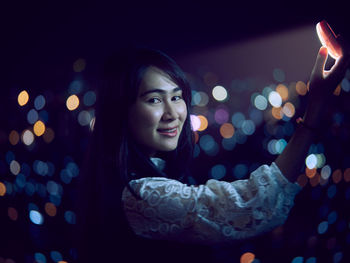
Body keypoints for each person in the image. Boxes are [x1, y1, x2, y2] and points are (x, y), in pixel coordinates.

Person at [75, 27, 350, 263]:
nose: (173, 113)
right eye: (155, 99)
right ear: (120, 110)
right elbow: (255, 202)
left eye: (177, 96)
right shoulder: (141, 196)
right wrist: (315, 109)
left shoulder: (125, 179)